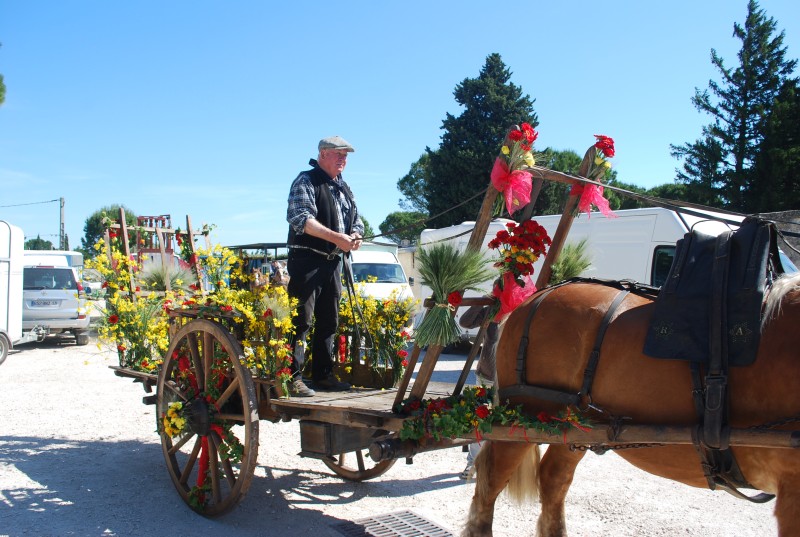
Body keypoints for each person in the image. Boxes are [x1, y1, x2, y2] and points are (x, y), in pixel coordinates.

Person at [285, 135, 364, 396]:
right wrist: (337, 238)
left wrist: (355, 235)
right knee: (301, 320)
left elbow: (357, 220)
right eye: (339, 153)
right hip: (307, 260)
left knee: (329, 320)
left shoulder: (344, 187)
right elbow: (301, 219)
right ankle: (292, 376)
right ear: (322, 154)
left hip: (333, 263)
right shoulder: (306, 181)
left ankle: (322, 375)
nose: (344, 159)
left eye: (346, 155)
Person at [458, 303, 500, 479]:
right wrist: (484, 301)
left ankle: (500, 463)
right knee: (480, 418)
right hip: (487, 374)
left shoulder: (522, 309)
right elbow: (465, 322)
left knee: (508, 421)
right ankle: (473, 462)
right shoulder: (493, 310)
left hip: (510, 378)